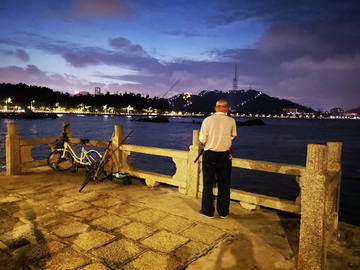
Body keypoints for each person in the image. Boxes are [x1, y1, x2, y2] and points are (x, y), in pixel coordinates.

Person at [199, 100, 237, 219]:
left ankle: (208, 211)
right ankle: (223, 212)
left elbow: (202, 139)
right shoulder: (231, 121)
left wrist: (210, 141)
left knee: (208, 183)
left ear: (216, 108)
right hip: (224, 155)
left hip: (210, 154)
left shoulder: (208, 120)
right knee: (224, 184)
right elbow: (233, 135)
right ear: (226, 108)